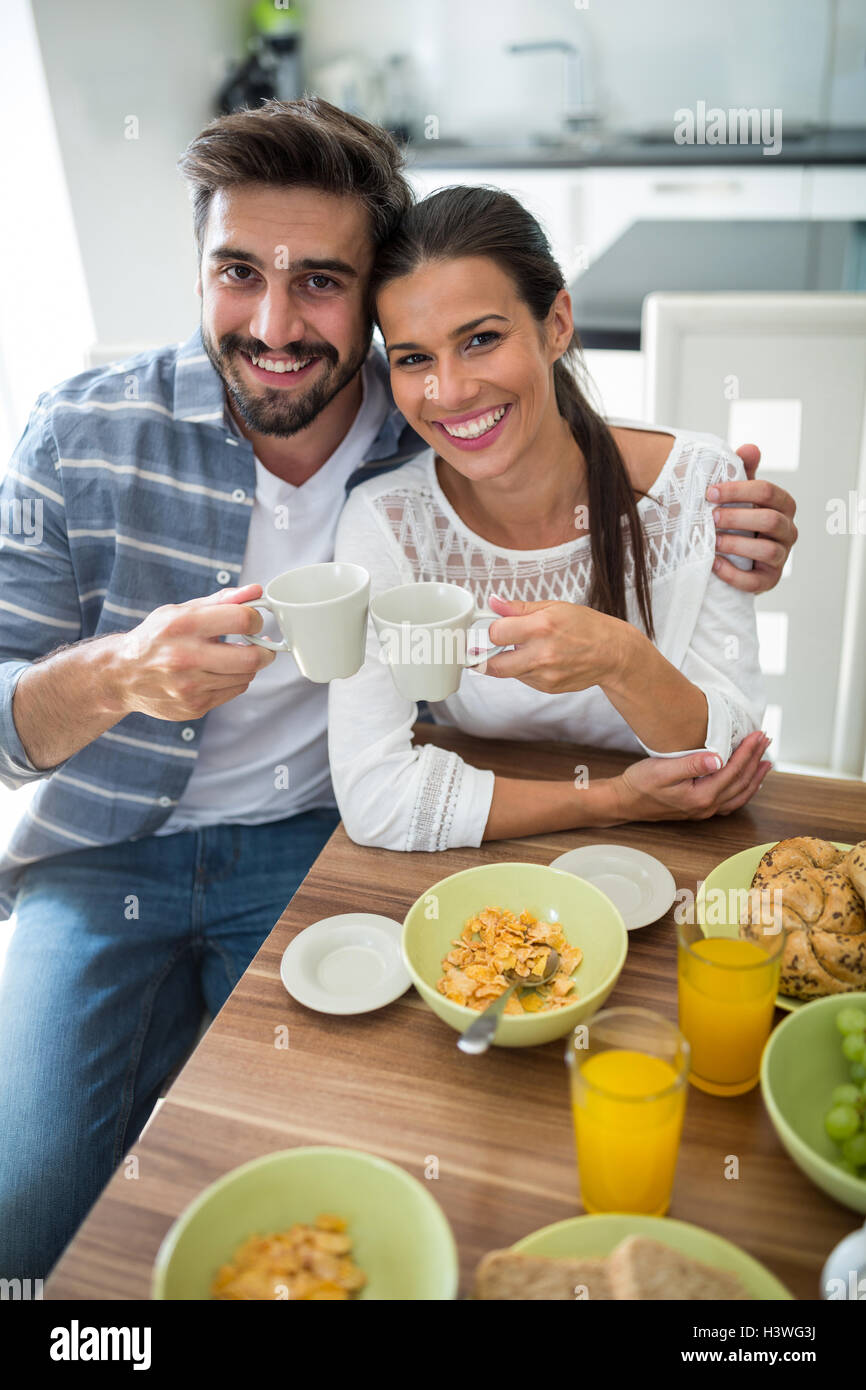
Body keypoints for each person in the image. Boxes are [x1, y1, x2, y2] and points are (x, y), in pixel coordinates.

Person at [0, 100, 796, 1280]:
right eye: (237, 272)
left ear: (366, 301)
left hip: (312, 839)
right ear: (200, 269)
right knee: (30, 1214)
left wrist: (714, 508)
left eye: (320, 281)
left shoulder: (412, 426)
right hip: (105, 851)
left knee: (335, 1161)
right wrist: (119, 674)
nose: (273, 324)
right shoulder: (79, 433)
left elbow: (530, 426)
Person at [328, 185, 778, 849]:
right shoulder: (387, 523)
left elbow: (733, 755)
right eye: (414, 358)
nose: (448, 391)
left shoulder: (697, 484)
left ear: (557, 324)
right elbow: (374, 799)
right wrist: (611, 801)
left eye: (481, 339)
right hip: (491, 871)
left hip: (679, 854)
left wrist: (619, 657)